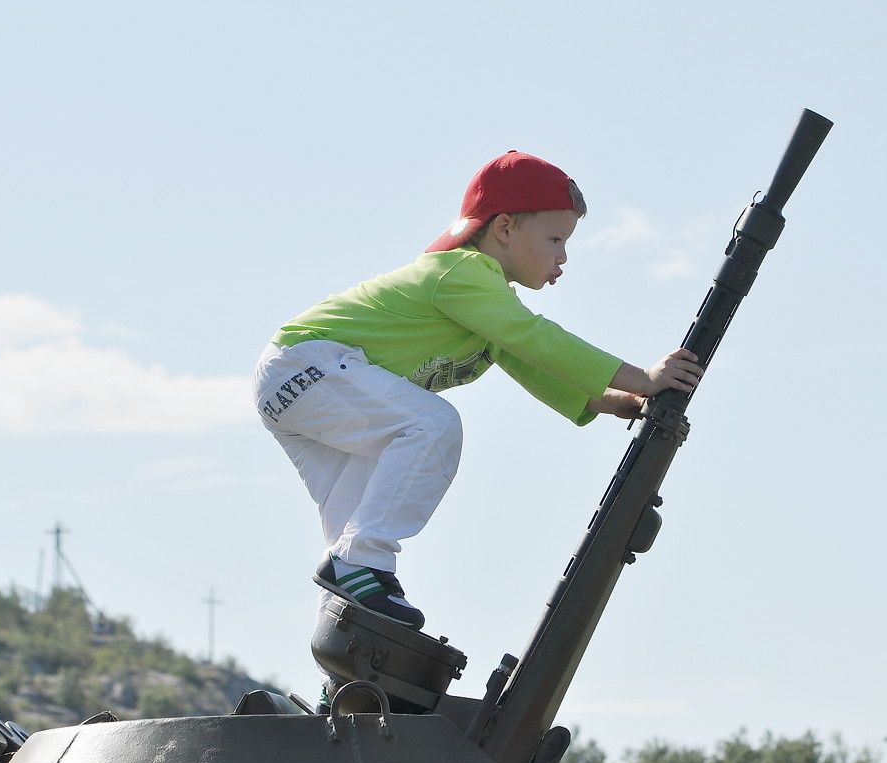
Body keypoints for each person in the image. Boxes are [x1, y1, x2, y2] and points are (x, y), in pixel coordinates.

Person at [252, 151, 703, 637]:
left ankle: (344, 660)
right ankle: (362, 566)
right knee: (432, 426)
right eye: (555, 239)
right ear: (505, 229)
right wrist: (643, 378)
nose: (563, 256)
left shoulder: (486, 308)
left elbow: (534, 365)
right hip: (307, 364)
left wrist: (616, 402)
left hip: (294, 387)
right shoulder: (463, 273)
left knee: (350, 535)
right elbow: (538, 339)